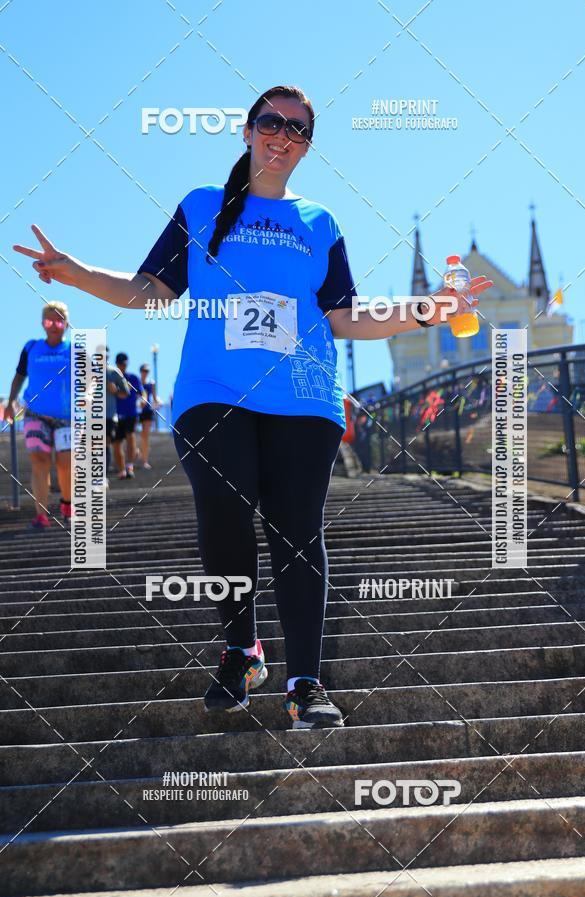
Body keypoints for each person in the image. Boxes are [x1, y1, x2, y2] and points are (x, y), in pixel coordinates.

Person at [13, 84, 492, 727]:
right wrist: (76, 274)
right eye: (272, 121)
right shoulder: (203, 205)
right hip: (212, 394)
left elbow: (346, 317)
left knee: (297, 535)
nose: (283, 134)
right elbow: (149, 289)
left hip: (304, 398)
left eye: (298, 129)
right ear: (246, 130)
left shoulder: (319, 223)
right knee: (223, 517)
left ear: (306, 147)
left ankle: (304, 684)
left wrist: (428, 310)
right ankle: (241, 648)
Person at [3, 301, 72, 529]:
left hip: (66, 416)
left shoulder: (74, 349)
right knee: (39, 462)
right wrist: (11, 402)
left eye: (59, 321)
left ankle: (67, 504)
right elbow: (19, 376)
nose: (54, 326)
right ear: (43, 324)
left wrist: (89, 398)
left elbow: (90, 379)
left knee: (66, 463)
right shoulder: (31, 347)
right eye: (49, 321)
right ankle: (41, 515)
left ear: (66, 324)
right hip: (35, 413)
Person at [113, 352, 142, 479]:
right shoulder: (111, 378)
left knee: (130, 437)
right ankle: (121, 469)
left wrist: (143, 402)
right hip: (116, 415)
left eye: (124, 364)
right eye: (120, 364)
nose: (122, 366)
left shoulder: (133, 378)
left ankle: (129, 466)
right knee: (117, 442)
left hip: (130, 413)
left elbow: (141, 393)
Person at [105, 345, 130, 481]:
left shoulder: (114, 373)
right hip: (90, 417)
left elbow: (126, 393)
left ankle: (102, 477)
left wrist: (115, 390)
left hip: (109, 416)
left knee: (105, 444)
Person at [138, 363, 157, 469]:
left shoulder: (151, 383)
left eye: (147, 371)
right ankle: (136, 453)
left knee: (145, 436)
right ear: (141, 371)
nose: (145, 373)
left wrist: (158, 402)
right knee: (133, 435)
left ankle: (145, 460)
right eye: (144, 371)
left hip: (147, 411)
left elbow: (154, 397)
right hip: (137, 410)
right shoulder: (137, 382)